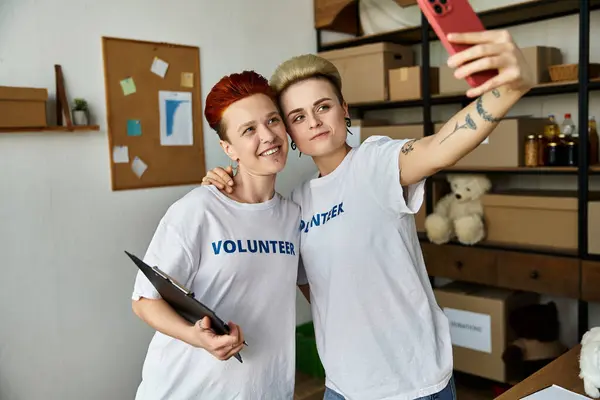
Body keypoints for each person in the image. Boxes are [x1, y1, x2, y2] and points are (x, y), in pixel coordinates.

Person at [202, 30, 534, 400]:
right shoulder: (296, 203)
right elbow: (311, 283)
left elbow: (439, 149)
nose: (313, 121)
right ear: (290, 132)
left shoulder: (374, 161)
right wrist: (224, 187)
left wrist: (507, 90)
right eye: (297, 116)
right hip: (344, 383)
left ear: (344, 109)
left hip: (411, 381)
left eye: (323, 106)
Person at [130, 70, 301, 399]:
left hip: (266, 389)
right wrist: (197, 337)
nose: (267, 136)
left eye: (273, 120)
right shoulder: (198, 210)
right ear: (229, 148)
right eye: (248, 129)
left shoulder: (294, 217)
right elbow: (143, 302)